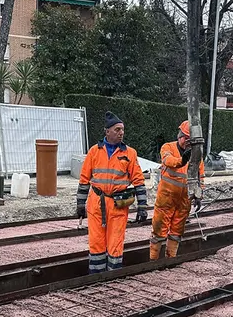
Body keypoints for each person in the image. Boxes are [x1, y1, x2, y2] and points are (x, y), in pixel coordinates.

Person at [77, 112, 148, 273]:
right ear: (107, 131)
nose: (121, 133)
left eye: (122, 129)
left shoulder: (130, 153)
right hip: (96, 203)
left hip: (118, 205)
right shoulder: (94, 151)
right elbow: (83, 180)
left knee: (115, 244)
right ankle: (96, 276)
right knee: (96, 243)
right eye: (117, 129)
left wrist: (142, 206)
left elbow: (138, 181)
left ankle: (113, 276)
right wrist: (80, 204)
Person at [150, 121, 205, 260]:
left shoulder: (197, 154)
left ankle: (170, 260)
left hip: (184, 201)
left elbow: (200, 175)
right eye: (185, 138)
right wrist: (181, 160)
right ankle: (153, 261)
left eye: (190, 140)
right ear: (179, 136)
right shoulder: (167, 147)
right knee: (158, 233)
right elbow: (168, 160)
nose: (187, 142)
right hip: (166, 199)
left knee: (176, 233)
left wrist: (199, 194)